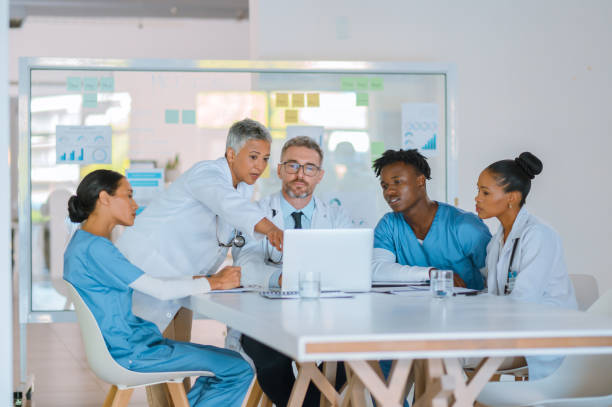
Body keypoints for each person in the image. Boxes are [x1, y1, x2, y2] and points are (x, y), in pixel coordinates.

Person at [115, 118, 283, 406]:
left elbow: (240, 230)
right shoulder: (206, 174)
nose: (259, 166)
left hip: (184, 283)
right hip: (152, 273)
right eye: (253, 157)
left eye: (265, 159)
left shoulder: (241, 190)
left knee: (181, 369)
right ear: (231, 154)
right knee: (164, 370)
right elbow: (231, 207)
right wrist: (271, 229)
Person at [63, 169, 253, 407]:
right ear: (104, 198)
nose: (135, 204)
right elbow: (158, 290)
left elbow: (148, 281)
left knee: (228, 362)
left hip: (125, 348)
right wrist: (215, 282)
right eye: (128, 196)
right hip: (132, 353)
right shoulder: (98, 249)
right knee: (238, 368)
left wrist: (199, 278)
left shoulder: (83, 244)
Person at [228, 136, 352, 407]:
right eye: (293, 165)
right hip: (266, 318)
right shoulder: (256, 213)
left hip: (325, 317)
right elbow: (245, 264)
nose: (300, 174)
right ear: (280, 170)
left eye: (309, 168)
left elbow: (346, 266)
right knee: (270, 357)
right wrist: (279, 278)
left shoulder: (336, 218)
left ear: (319, 176)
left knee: (351, 353)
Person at [475, 151, 577, 380]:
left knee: (444, 359)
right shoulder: (497, 240)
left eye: (485, 192)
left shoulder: (539, 235)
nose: (477, 198)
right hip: (510, 332)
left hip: (544, 337)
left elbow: (523, 301)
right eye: (478, 190)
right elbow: (493, 295)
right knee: (431, 358)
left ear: (512, 197)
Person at [371, 148, 491, 289]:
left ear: (420, 181)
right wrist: (431, 273)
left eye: (397, 182)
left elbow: (496, 279)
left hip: (466, 308)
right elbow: (377, 270)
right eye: (384, 186)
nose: (389, 192)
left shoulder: (465, 226)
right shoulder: (389, 225)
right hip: (410, 309)